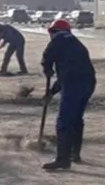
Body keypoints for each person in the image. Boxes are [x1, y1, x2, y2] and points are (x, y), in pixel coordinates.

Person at [40, 18, 96, 170]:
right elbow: (67, 73)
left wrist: (47, 69)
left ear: (53, 31)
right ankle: (74, 154)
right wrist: (52, 92)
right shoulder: (77, 43)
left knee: (63, 121)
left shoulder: (57, 41)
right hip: (89, 83)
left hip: (73, 84)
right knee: (76, 119)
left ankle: (62, 159)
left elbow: (47, 58)